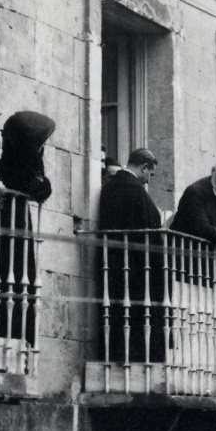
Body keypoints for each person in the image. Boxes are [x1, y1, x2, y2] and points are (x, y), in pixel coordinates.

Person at [0, 110, 56, 344]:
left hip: (17, 227)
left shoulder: (27, 151)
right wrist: (32, 184)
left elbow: (41, 184)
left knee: (19, 286)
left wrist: (38, 185)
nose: (41, 147)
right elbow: (12, 177)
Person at [96, 148, 166, 362]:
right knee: (136, 317)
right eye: (150, 173)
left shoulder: (113, 185)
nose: (149, 179)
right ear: (144, 167)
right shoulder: (132, 188)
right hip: (135, 266)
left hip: (119, 264)